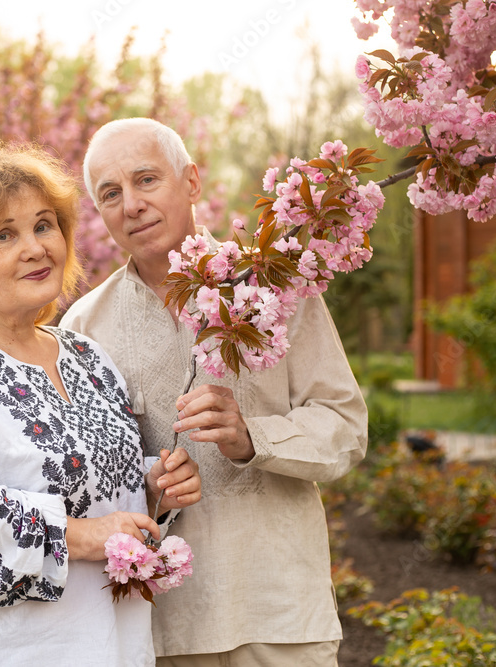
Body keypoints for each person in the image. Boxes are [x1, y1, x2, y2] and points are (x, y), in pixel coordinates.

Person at [60, 118, 368, 666]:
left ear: (193, 182)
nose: (131, 204)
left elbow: (345, 429)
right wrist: (147, 482)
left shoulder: (275, 285)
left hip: (280, 613)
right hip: (162, 628)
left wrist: (253, 436)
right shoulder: (84, 327)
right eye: (111, 193)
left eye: (146, 179)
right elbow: (77, 481)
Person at [0, 142, 202, 666]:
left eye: (43, 225)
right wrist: (83, 536)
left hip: (112, 647)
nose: (35, 247)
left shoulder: (87, 357)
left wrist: (153, 487)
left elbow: (93, 489)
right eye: (4, 235)